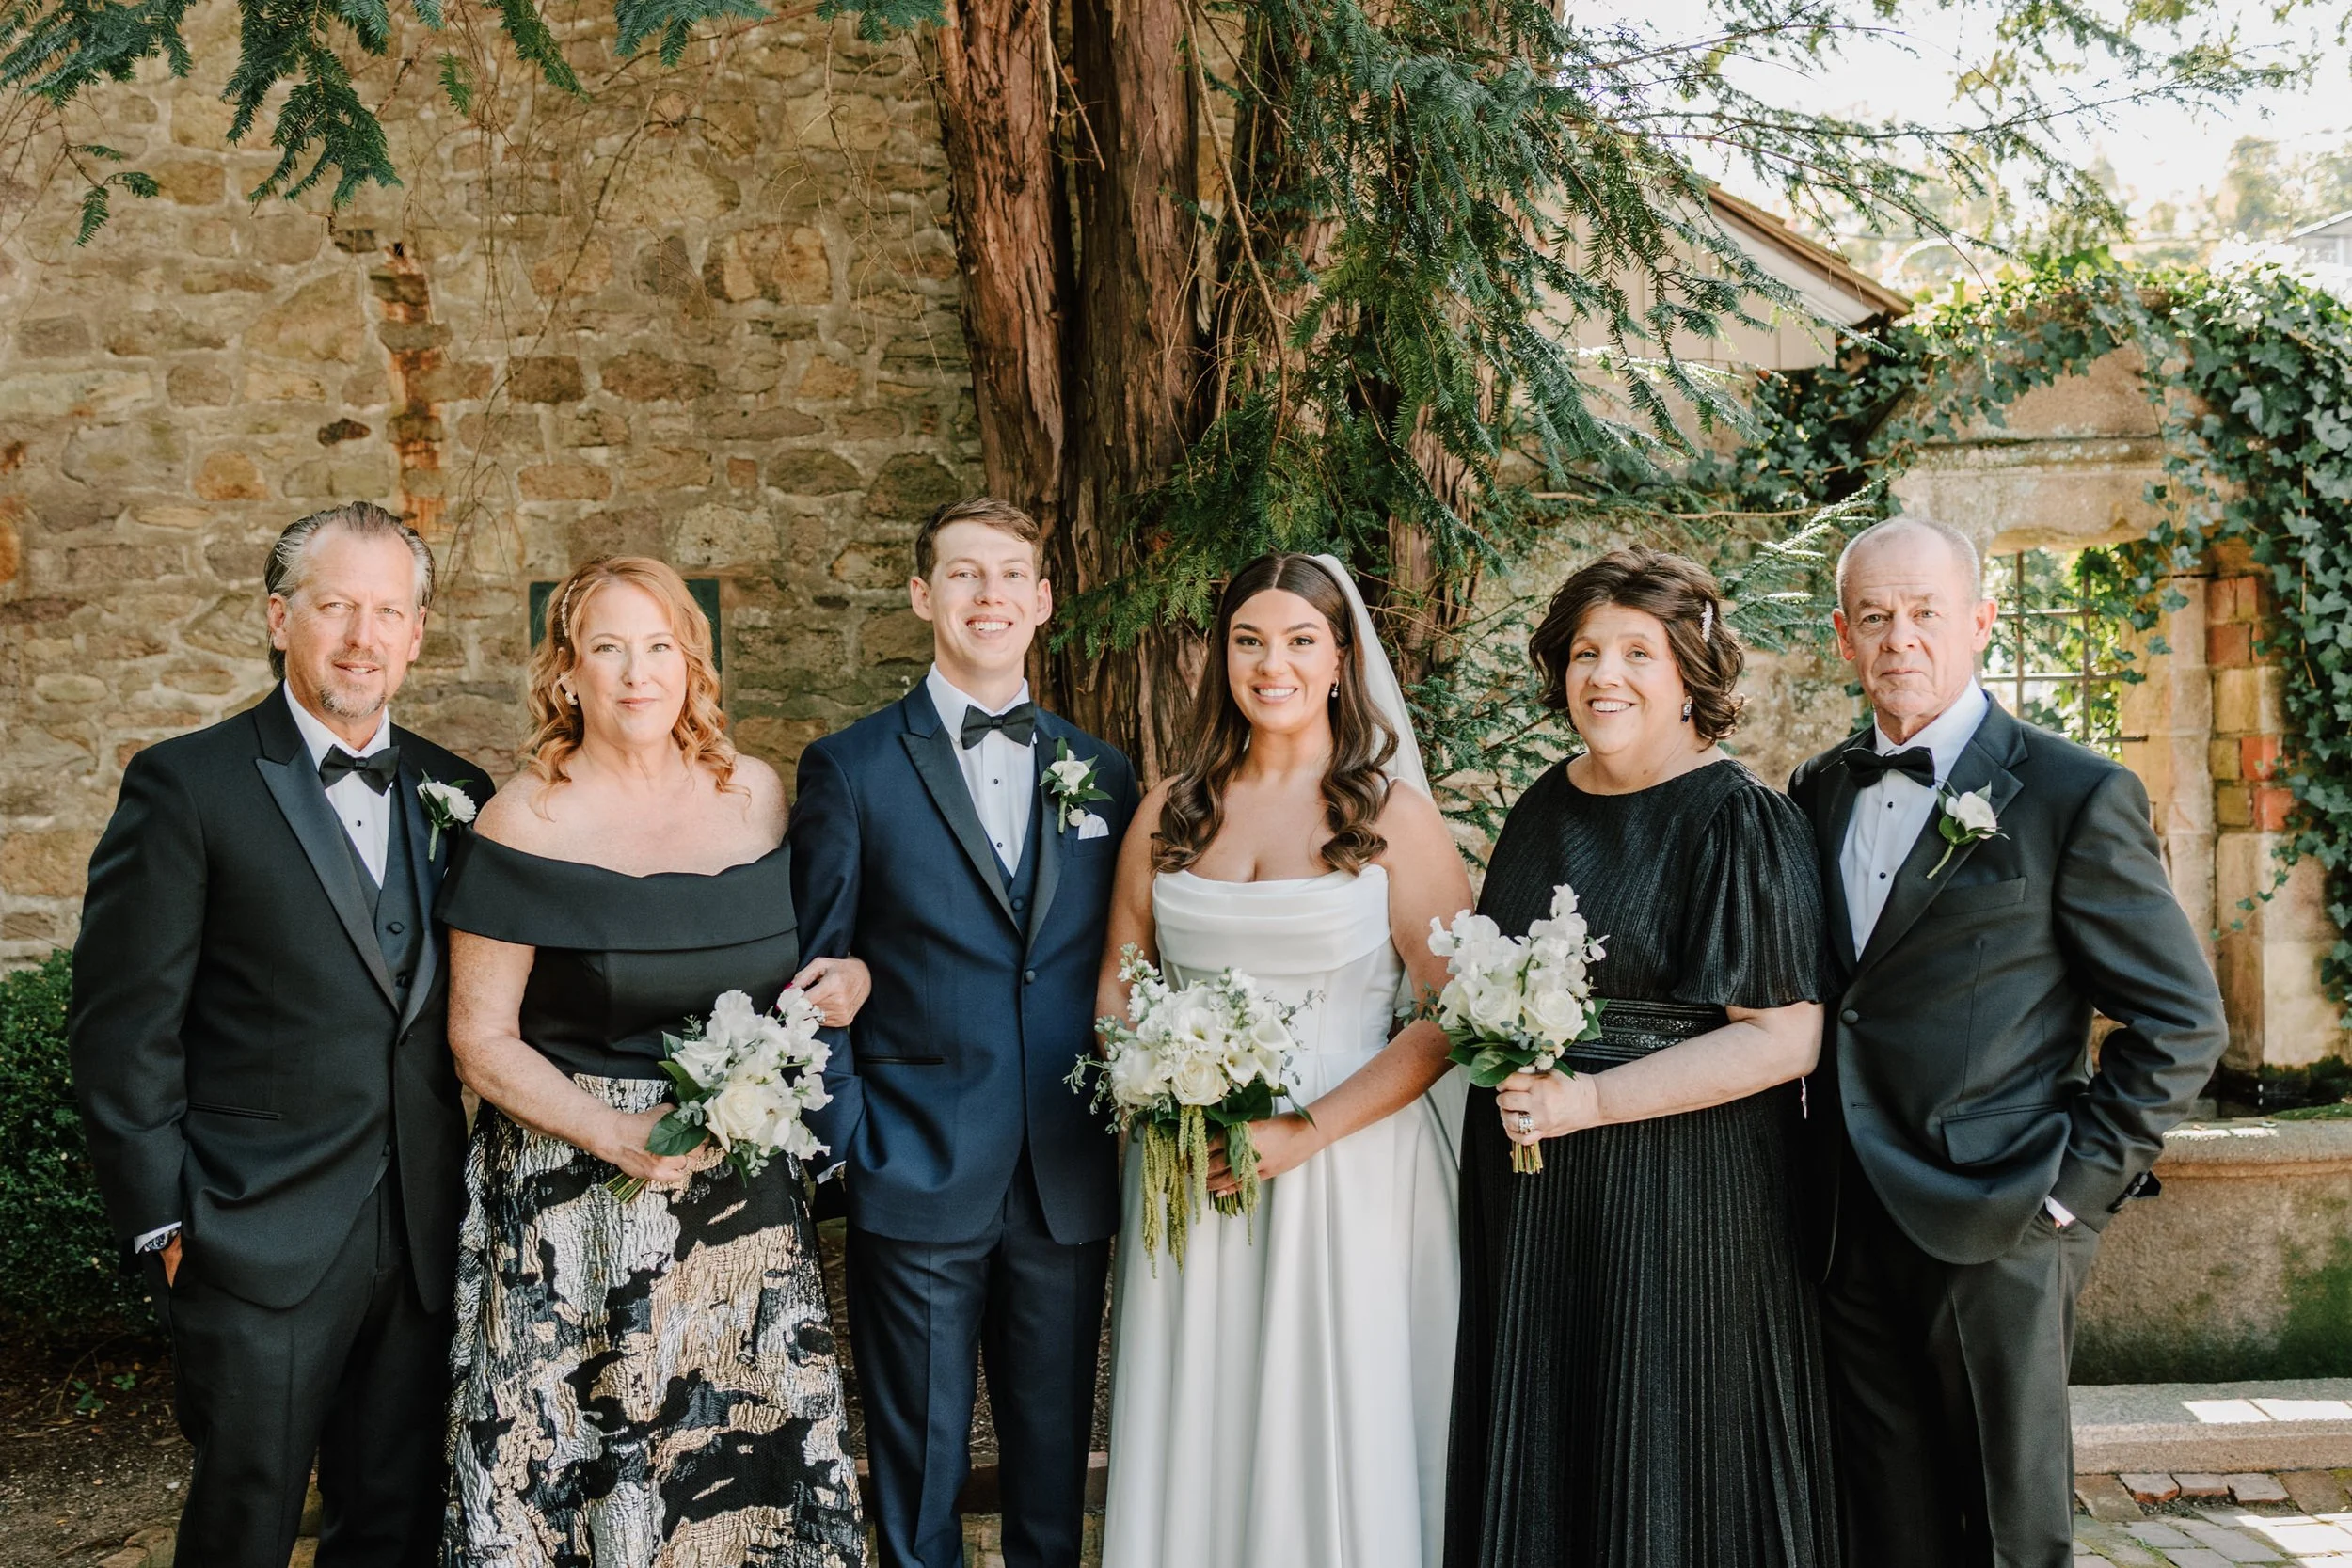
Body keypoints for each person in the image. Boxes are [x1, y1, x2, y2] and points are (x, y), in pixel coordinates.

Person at [1788, 515, 2228, 1568]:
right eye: (1875, 616)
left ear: (1979, 622)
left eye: (1925, 612)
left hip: (2000, 1217)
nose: (1900, 637)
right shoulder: (1816, 789)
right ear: (1843, 637)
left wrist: (2068, 1192)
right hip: (1845, 1224)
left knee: (2007, 1530)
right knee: (1879, 1524)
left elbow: (2180, 1020)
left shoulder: (2073, 795)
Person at [68, 503, 492, 1567]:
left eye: (386, 610)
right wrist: (162, 1222)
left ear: (417, 633)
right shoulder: (187, 784)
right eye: (334, 604)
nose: (360, 634)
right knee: (243, 1523)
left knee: (393, 1519)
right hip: (251, 1231)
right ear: (277, 617)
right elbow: (123, 1026)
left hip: (424, 1229)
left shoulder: (465, 793)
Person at [439, 556, 870, 1567]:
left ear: (691, 661)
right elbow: (479, 1037)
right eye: (608, 647)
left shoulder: (758, 794)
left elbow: (805, 977)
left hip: (742, 1206)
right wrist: (613, 1131)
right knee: (585, 1467)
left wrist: (845, 987)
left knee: (740, 1468)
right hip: (573, 1202)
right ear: (566, 674)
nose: (637, 672)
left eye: (659, 646)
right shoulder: (521, 820)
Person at [1444, 546, 1837, 1568]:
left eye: (1635, 652)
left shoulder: (1736, 818)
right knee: (1553, 1431)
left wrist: (1590, 1101)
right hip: (1539, 1194)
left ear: (1688, 675)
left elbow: (1784, 1034)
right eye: (1584, 651)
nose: (1602, 675)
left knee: (1668, 1445)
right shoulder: (1542, 804)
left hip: (1683, 1196)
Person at [1096, 553, 1474, 1568]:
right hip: (1190, 1172)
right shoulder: (1170, 808)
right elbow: (1122, 983)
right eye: (1249, 640)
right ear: (1222, 657)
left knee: (1329, 1415)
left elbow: (1452, 1011)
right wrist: (1158, 1092)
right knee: (1201, 1404)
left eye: (1301, 640)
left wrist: (1303, 1130)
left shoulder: (1389, 814)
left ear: (1341, 660)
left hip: (1347, 1173)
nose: (1274, 663)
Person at [787, 497, 1141, 1568]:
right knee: (918, 1481)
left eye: (1009, 576)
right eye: (961, 574)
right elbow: (813, 969)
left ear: (1041, 600)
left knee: (1052, 1478)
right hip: (916, 1163)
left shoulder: (1106, 773)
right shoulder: (849, 768)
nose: (988, 595)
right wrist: (851, 1137)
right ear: (921, 595)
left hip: (1063, 1176)